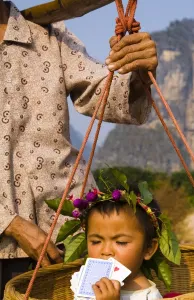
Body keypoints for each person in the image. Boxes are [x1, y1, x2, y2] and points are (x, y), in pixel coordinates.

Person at [0, 0, 158, 296]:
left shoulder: (48, 34)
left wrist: (138, 71)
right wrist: (10, 222)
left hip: (68, 237)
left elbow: (107, 96)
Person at [83, 188, 163, 299]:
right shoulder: (86, 285)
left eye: (121, 242)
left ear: (148, 248)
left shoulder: (148, 296)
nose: (106, 251)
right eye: (96, 242)